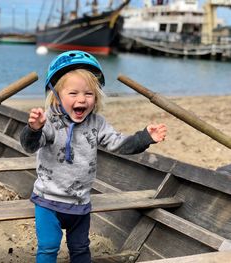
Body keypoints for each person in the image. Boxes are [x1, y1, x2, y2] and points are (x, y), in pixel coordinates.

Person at [20, 50, 167, 263]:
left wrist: (145, 137)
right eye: (73, 94)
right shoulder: (50, 122)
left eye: (88, 94)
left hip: (81, 202)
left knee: (80, 249)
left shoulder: (97, 124)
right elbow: (29, 146)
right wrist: (33, 128)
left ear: (96, 97)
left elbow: (119, 144)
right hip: (48, 201)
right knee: (48, 248)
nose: (82, 99)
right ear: (55, 94)